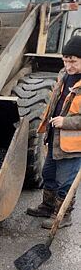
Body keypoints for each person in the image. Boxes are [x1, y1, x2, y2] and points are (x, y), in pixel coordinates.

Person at [27, 35, 81, 229]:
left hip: (72, 144)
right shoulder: (64, 75)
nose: (68, 65)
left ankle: (63, 215)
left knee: (65, 181)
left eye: (73, 61)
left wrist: (65, 122)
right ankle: (47, 206)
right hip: (55, 137)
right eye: (65, 60)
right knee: (48, 174)